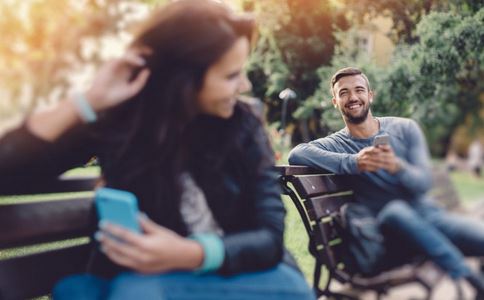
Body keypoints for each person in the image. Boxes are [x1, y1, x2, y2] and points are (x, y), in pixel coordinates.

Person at [0, 1, 315, 299]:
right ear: (183, 79)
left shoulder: (243, 126)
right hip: (148, 278)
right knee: (79, 291)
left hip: (247, 275)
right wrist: (87, 101)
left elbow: (269, 238)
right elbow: (8, 174)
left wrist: (192, 253)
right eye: (231, 75)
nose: (244, 86)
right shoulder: (123, 122)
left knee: (129, 291)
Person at [288, 67, 484, 299]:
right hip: (391, 236)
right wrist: (354, 162)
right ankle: (471, 280)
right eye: (344, 93)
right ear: (335, 101)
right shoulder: (337, 143)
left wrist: (397, 167)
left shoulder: (404, 128)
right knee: (395, 211)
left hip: (431, 218)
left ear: (371, 95)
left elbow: (422, 184)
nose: (352, 97)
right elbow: (297, 153)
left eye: (359, 90)